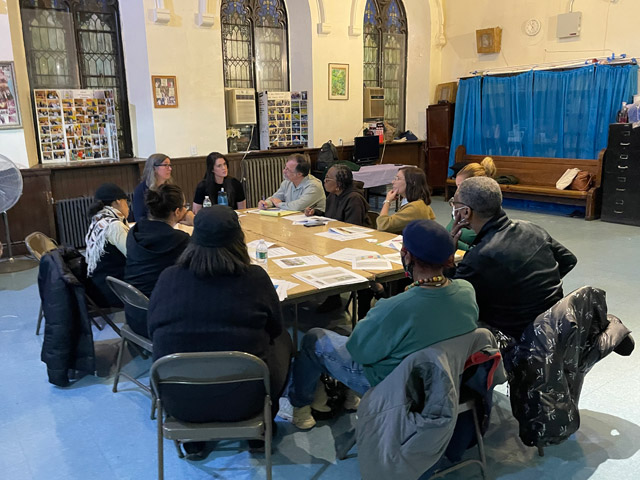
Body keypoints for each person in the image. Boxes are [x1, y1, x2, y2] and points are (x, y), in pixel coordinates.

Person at [286, 220, 479, 429]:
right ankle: (350, 398)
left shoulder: (395, 308)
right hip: (442, 382)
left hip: (393, 385)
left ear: (407, 255)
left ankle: (302, 408)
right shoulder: (466, 291)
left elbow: (359, 353)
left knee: (314, 338)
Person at [147, 206, 293, 455]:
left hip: (179, 400)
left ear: (194, 239)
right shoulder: (255, 278)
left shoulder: (168, 278)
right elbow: (275, 327)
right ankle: (262, 431)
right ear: (239, 239)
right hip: (248, 399)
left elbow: (152, 331)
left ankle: (193, 440)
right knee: (285, 339)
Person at [451, 176, 577, 339]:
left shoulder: (480, 256)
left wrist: (448, 259)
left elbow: (453, 298)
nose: (453, 208)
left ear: (466, 212)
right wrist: (536, 286)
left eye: (455, 204)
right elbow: (569, 260)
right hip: (554, 324)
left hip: (516, 338)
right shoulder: (532, 229)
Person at [124, 184, 191, 337]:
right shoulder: (179, 240)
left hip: (133, 313)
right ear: (177, 212)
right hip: (161, 320)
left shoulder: (135, 231)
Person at [85, 183, 130, 307]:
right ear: (118, 202)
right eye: (126, 202)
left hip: (98, 283)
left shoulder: (99, 219)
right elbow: (133, 255)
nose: (128, 207)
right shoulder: (114, 225)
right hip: (111, 289)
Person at [446, 156, 496, 251]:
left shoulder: (483, 213)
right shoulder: (460, 205)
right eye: (457, 186)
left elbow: (477, 249)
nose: (457, 191)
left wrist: (449, 238)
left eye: (461, 186)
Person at [304, 164, 370, 226]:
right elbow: (330, 217)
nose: (324, 181)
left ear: (339, 184)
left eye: (327, 179)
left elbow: (353, 225)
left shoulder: (354, 199)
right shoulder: (333, 195)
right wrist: (314, 212)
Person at [376, 167, 435, 234]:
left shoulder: (414, 207)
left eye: (398, 179)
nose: (393, 182)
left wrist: (387, 201)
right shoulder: (412, 201)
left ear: (412, 182)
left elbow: (382, 225)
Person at [258, 153, 326, 211]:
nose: (284, 171)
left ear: (299, 174)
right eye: (285, 168)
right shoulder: (287, 183)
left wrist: (279, 204)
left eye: (288, 170)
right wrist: (266, 203)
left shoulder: (314, 186)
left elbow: (298, 206)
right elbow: (275, 198)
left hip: (313, 223)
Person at [132, 153, 173, 221]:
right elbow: (139, 217)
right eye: (165, 165)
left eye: (170, 165)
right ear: (154, 168)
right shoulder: (141, 190)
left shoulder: (170, 187)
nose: (170, 168)